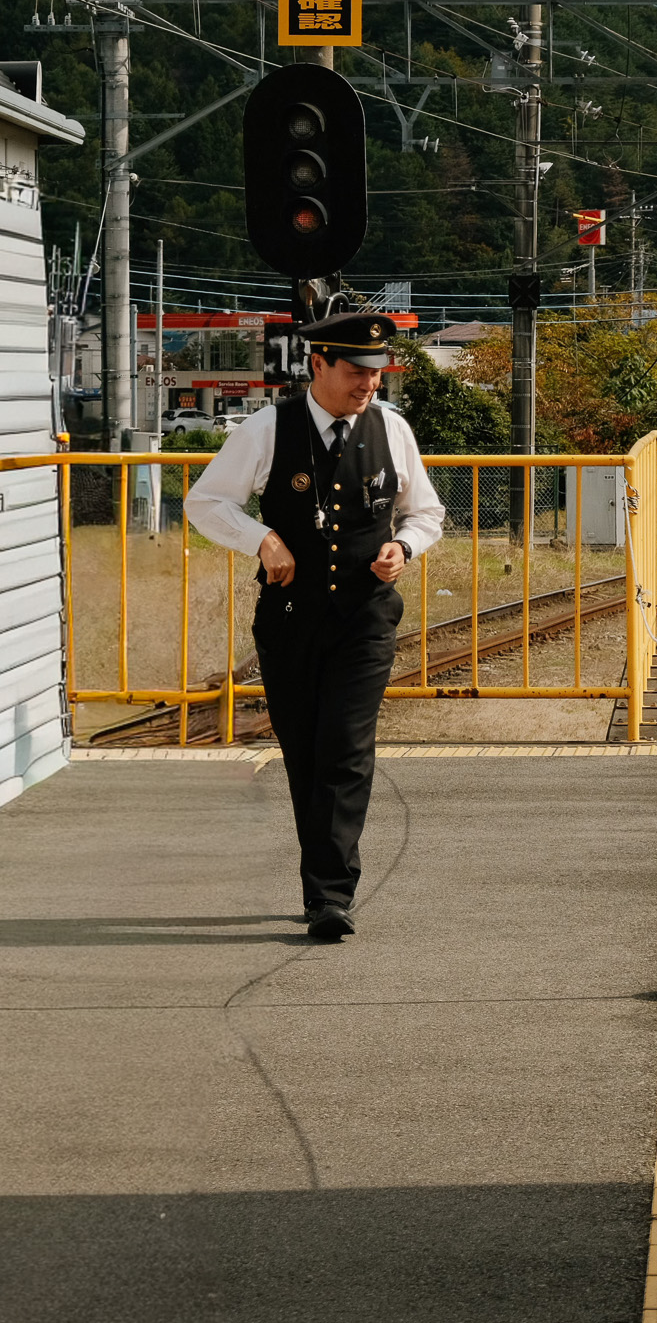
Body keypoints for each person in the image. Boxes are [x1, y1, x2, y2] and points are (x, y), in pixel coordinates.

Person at [184, 312, 444, 940]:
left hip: (365, 619)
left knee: (345, 750)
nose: (368, 386)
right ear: (319, 365)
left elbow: (426, 512)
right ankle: (320, 884)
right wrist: (261, 539)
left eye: (376, 374)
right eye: (356, 372)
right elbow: (205, 501)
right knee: (305, 754)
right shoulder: (268, 428)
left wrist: (403, 548)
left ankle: (332, 895)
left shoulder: (393, 429)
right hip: (291, 620)